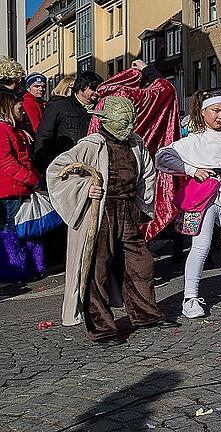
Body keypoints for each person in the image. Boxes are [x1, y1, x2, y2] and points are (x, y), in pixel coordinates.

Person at [47, 96, 176, 341]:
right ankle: (101, 327)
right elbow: (58, 170)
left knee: (142, 263)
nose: (127, 129)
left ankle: (145, 313)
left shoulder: (136, 144)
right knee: (97, 267)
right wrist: (86, 188)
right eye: (122, 123)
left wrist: (140, 205)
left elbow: (147, 176)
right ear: (107, 122)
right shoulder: (91, 145)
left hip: (126, 210)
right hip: (100, 213)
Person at [155, 91, 221, 318]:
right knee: (200, 248)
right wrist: (193, 170)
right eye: (216, 111)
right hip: (204, 201)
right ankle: (190, 298)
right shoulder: (194, 139)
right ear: (203, 113)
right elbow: (163, 157)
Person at [88, 59, 181, 241]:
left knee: (108, 237)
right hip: (134, 169)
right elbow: (166, 90)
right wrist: (147, 69)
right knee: (132, 232)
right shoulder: (136, 97)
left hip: (107, 175)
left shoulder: (104, 102)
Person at [0, 92, 44, 282]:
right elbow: (5, 162)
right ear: (8, 108)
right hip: (9, 189)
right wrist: (31, 178)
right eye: (20, 109)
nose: (24, 113)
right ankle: (14, 269)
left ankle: (28, 265)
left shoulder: (13, 129)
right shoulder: (2, 130)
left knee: (25, 227)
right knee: (10, 230)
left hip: (19, 187)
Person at [33, 71, 104, 173]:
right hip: (65, 167)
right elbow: (43, 137)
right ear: (81, 87)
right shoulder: (59, 106)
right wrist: (50, 168)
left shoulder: (100, 109)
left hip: (91, 168)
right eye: (93, 89)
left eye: (99, 89)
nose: (97, 93)